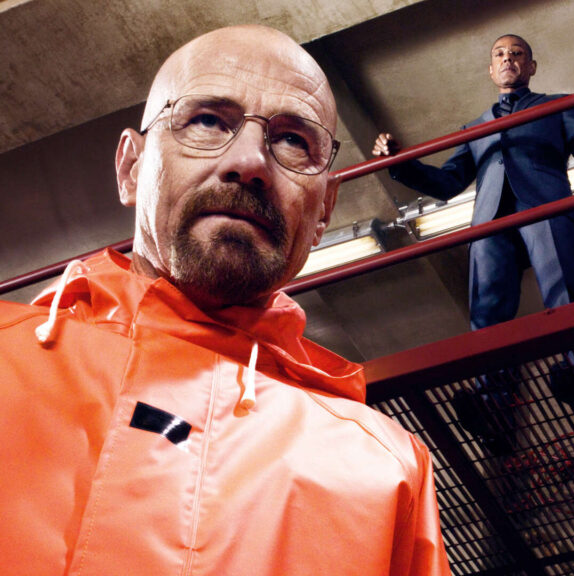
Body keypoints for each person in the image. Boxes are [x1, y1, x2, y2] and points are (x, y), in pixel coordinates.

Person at [0, 25, 450, 576]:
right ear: (131, 168)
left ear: (325, 212)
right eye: (208, 121)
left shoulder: (386, 471)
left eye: (293, 140)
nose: (251, 161)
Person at [374, 34, 574, 449]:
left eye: (517, 53)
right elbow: (447, 183)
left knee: (565, 297)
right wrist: (399, 163)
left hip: (544, 208)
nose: (508, 59)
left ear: (531, 67)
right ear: (490, 70)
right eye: (500, 54)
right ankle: (494, 408)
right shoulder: (475, 128)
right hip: (489, 223)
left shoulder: (555, 106)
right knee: (486, 316)